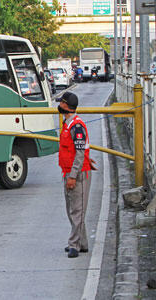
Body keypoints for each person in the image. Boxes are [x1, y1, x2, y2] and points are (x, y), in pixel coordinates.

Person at [56, 92, 94, 258]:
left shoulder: (76, 127)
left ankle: (74, 245)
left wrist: (72, 176)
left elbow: (79, 153)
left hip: (78, 174)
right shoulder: (68, 124)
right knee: (72, 209)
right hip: (68, 172)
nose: (59, 106)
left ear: (66, 105)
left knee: (77, 210)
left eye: (61, 103)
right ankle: (82, 243)